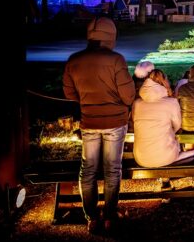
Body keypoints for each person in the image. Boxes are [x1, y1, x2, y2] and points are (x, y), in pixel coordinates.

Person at [63, 17, 135, 234]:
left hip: (89, 121)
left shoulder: (74, 60)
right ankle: (110, 216)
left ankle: (92, 218)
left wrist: (89, 101)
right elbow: (129, 95)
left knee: (88, 170)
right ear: (111, 37)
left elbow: (69, 93)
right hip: (115, 122)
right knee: (112, 169)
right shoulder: (116, 60)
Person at [132, 69, 194, 168]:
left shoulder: (136, 103)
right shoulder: (171, 102)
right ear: (164, 82)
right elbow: (177, 126)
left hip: (140, 158)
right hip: (164, 157)